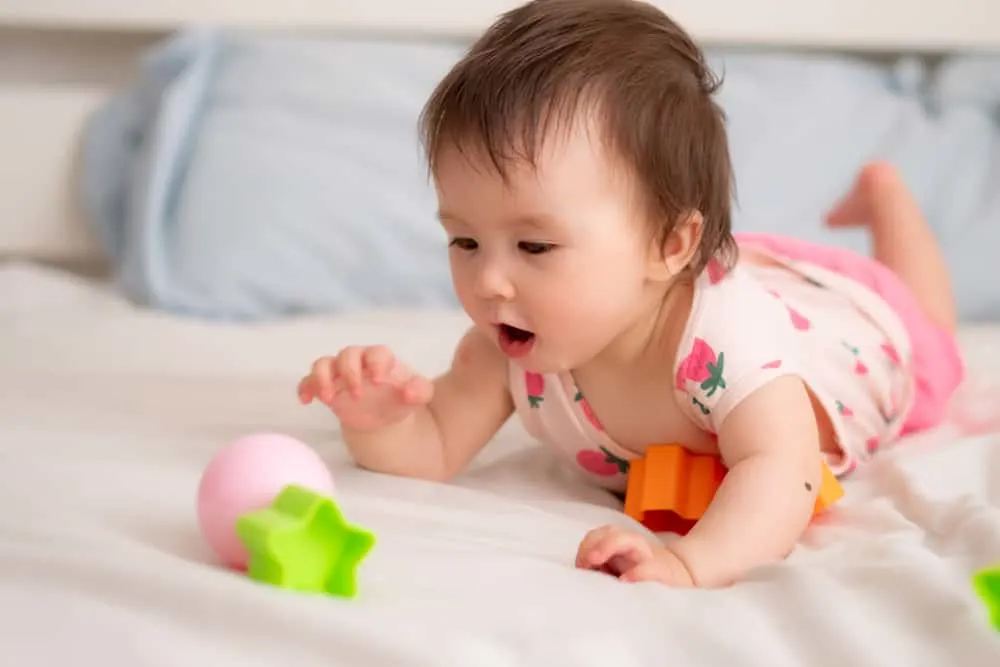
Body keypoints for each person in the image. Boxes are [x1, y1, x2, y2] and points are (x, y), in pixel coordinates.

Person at [297, 0, 964, 588]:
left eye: (534, 247)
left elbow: (781, 469)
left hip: (849, 332)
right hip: (721, 274)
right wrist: (379, 420)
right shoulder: (509, 348)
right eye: (464, 242)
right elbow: (434, 446)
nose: (488, 282)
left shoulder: (727, 347)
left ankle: (887, 197)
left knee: (931, 337)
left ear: (670, 244)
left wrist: (689, 562)